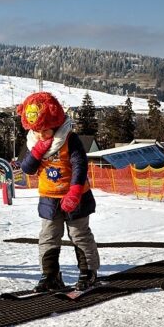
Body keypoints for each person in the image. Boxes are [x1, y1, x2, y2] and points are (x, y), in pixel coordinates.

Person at [17, 92, 100, 292]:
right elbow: (27, 168)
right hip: (49, 198)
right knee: (48, 236)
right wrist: (37, 151)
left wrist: (75, 191)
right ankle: (50, 275)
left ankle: (88, 272)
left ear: (55, 125)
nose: (40, 135)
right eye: (36, 131)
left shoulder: (69, 139)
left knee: (79, 234)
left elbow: (80, 164)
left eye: (44, 130)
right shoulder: (34, 142)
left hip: (75, 196)